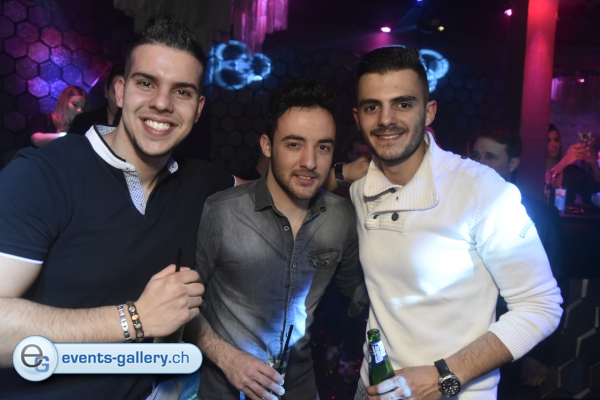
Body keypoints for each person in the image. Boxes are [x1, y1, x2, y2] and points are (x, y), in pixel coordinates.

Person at [0, 19, 235, 400]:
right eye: (147, 83)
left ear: (198, 109)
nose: (162, 103)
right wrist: (135, 319)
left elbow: (272, 189)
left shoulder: (200, 181)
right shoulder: (43, 175)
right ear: (121, 92)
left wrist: (336, 174)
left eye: (182, 91)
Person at [348, 46, 562, 400]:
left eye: (403, 104)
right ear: (358, 118)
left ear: (429, 111)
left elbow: (541, 305)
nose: (386, 119)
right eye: (373, 107)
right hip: (372, 388)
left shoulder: (482, 190)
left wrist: (443, 376)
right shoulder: (361, 190)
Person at [192, 80, 367, 400]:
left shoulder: (342, 218)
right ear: (267, 145)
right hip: (226, 391)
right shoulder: (221, 213)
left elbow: (358, 295)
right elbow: (183, 308)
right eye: (294, 144)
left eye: (323, 147)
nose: (310, 162)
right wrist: (228, 359)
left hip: (300, 389)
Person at [471, 127, 565, 398]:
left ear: (512, 163)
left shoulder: (539, 215)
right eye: (476, 155)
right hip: (461, 340)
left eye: (491, 157)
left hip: (514, 341)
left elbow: (554, 287)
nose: (480, 163)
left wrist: (541, 355)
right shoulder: (453, 207)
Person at [545, 124, 600, 206]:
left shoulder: (571, 171)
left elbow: (595, 188)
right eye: (548, 141)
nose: (554, 144)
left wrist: (594, 164)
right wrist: (565, 161)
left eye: (556, 140)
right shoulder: (534, 170)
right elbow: (546, 183)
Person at [69, 65, 125, 134]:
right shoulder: (84, 122)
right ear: (106, 91)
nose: (120, 99)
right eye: (115, 92)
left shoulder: (135, 127)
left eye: (125, 93)